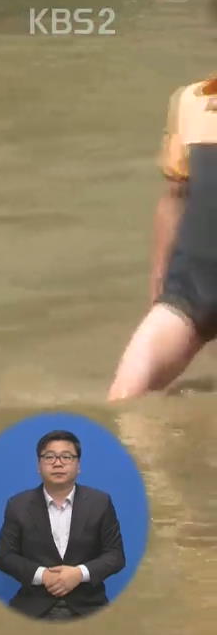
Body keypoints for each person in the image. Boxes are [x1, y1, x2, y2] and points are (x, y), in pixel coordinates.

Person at [107, 71, 217, 401]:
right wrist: (159, 278)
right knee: (123, 403)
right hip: (191, 290)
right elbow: (174, 195)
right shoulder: (192, 100)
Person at [0, 430, 126, 621]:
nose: (58, 463)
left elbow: (115, 556)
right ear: (39, 465)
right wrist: (44, 576)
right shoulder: (18, 505)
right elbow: (5, 557)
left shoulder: (100, 502)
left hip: (89, 607)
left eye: (66, 457)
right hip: (33, 607)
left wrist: (79, 574)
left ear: (78, 465)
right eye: (49, 457)